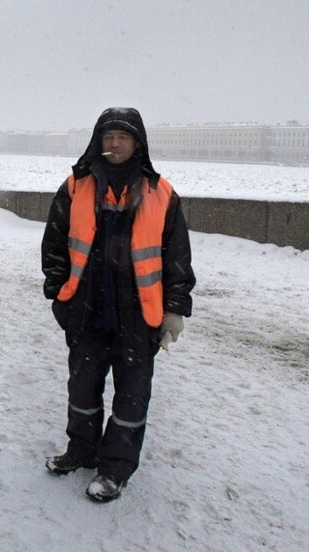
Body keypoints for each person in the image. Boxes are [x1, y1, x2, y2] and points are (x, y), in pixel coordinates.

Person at [41, 107, 195, 502]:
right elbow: (55, 244)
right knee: (82, 389)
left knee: (131, 398)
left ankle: (115, 468)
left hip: (139, 316)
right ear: (98, 140)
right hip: (86, 310)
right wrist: (58, 295)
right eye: (108, 136)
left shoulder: (162, 193)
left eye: (122, 137)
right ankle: (81, 450)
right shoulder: (76, 185)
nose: (114, 143)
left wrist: (175, 308)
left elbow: (176, 256)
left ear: (138, 143)